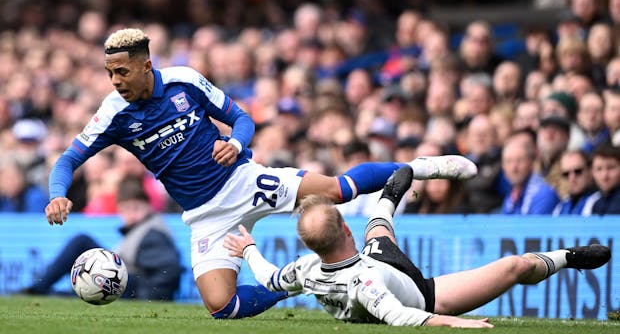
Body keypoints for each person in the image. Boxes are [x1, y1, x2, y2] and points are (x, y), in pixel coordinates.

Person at [44, 28, 478, 319]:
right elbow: (66, 160)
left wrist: (236, 143)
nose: (115, 81)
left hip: (242, 181)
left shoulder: (184, 81)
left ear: (144, 64)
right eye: (109, 73)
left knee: (335, 189)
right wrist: (58, 193)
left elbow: (242, 117)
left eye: (121, 71)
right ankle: (298, 282)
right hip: (204, 215)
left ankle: (421, 167)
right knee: (222, 307)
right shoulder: (113, 113)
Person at [223, 167, 611, 328]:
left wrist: (249, 248)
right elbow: (405, 318)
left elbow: (271, 278)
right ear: (343, 225)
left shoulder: (305, 270)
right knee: (513, 266)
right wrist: (463, 323)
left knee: (379, 233)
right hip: (425, 296)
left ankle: (390, 197)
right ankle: (567, 258)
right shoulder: (365, 287)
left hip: (377, 262)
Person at [24, 177, 182, 300]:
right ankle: (43, 289)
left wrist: (146, 298)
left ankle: (40, 288)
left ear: (148, 206)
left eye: (136, 208)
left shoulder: (152, 233)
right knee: (83, 244)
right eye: (126, 209)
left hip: (131, 288)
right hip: (121, 283)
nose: (131, 215)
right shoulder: (142, 229)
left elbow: (169, 271)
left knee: (82, 242)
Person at [501, 130, 560, 215]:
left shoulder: (543, 194)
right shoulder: (511, 195)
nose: (514, 168)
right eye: (508, 161)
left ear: (531, 163)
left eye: (519, 161)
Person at [553, 149, 599, 216]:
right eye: (566, 174)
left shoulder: (599, 203)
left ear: (590, 171)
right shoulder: (560, 208)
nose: (572, 178)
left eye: (578, 171)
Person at [591, 143, 620, 214]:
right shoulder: (596, 204)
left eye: (610, 168)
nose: (604, 175)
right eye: (599, 169)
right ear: (592, 172)